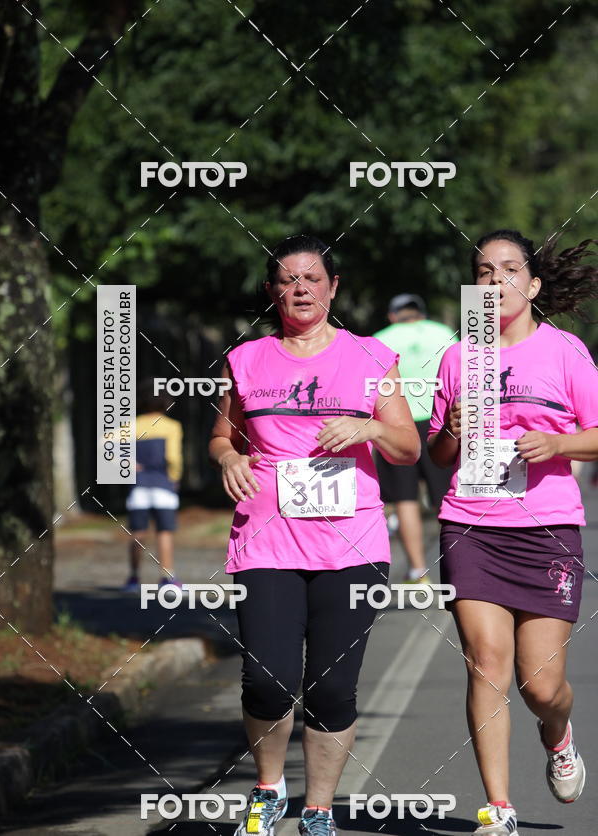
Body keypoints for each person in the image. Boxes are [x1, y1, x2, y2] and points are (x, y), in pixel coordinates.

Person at [209, 235, 420, 836]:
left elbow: (406, 448)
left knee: (331, 690)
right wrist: (227, 457)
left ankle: (320, 807)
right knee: (266, 678)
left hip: (350, 548)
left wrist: (366, 426)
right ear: (273, 291)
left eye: (311, 278)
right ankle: (269, 787)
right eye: (286, 279)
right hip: (266, 542)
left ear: (333, 288)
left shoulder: (372, 357)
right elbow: (224, 437)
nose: (299, 287)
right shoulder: (246, 359)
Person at [428, 229, 598, 836]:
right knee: (486, 664)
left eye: (506, 270)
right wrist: (449, 426)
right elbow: (440, 452)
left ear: (532, 285)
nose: (493, 280)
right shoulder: (456, 356)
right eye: (482, 271)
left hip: (547, 526)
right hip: (471, 524)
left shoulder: (565, 352)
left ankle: (557, 733)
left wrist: (557, 442)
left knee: (541, 682)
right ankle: (498, 810)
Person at [373, 294, 456, 582]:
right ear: (420, 313)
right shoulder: (444, 334)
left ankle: (418, 570)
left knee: (404, 498)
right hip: (440, 424)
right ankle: (457, 564)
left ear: (393, 316)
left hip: (398, 425)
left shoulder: (380, 339)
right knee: (447, 498)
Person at [123, 379, 183, 591]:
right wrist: (175, 478)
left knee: (138, 532)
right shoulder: (172, 426)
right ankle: (167, 579)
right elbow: (173, 458)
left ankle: (133, 578)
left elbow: (106, 446)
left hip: (138, 485)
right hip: (162, 484)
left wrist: (127, 464)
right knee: (164, 532)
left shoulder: (133, 425)